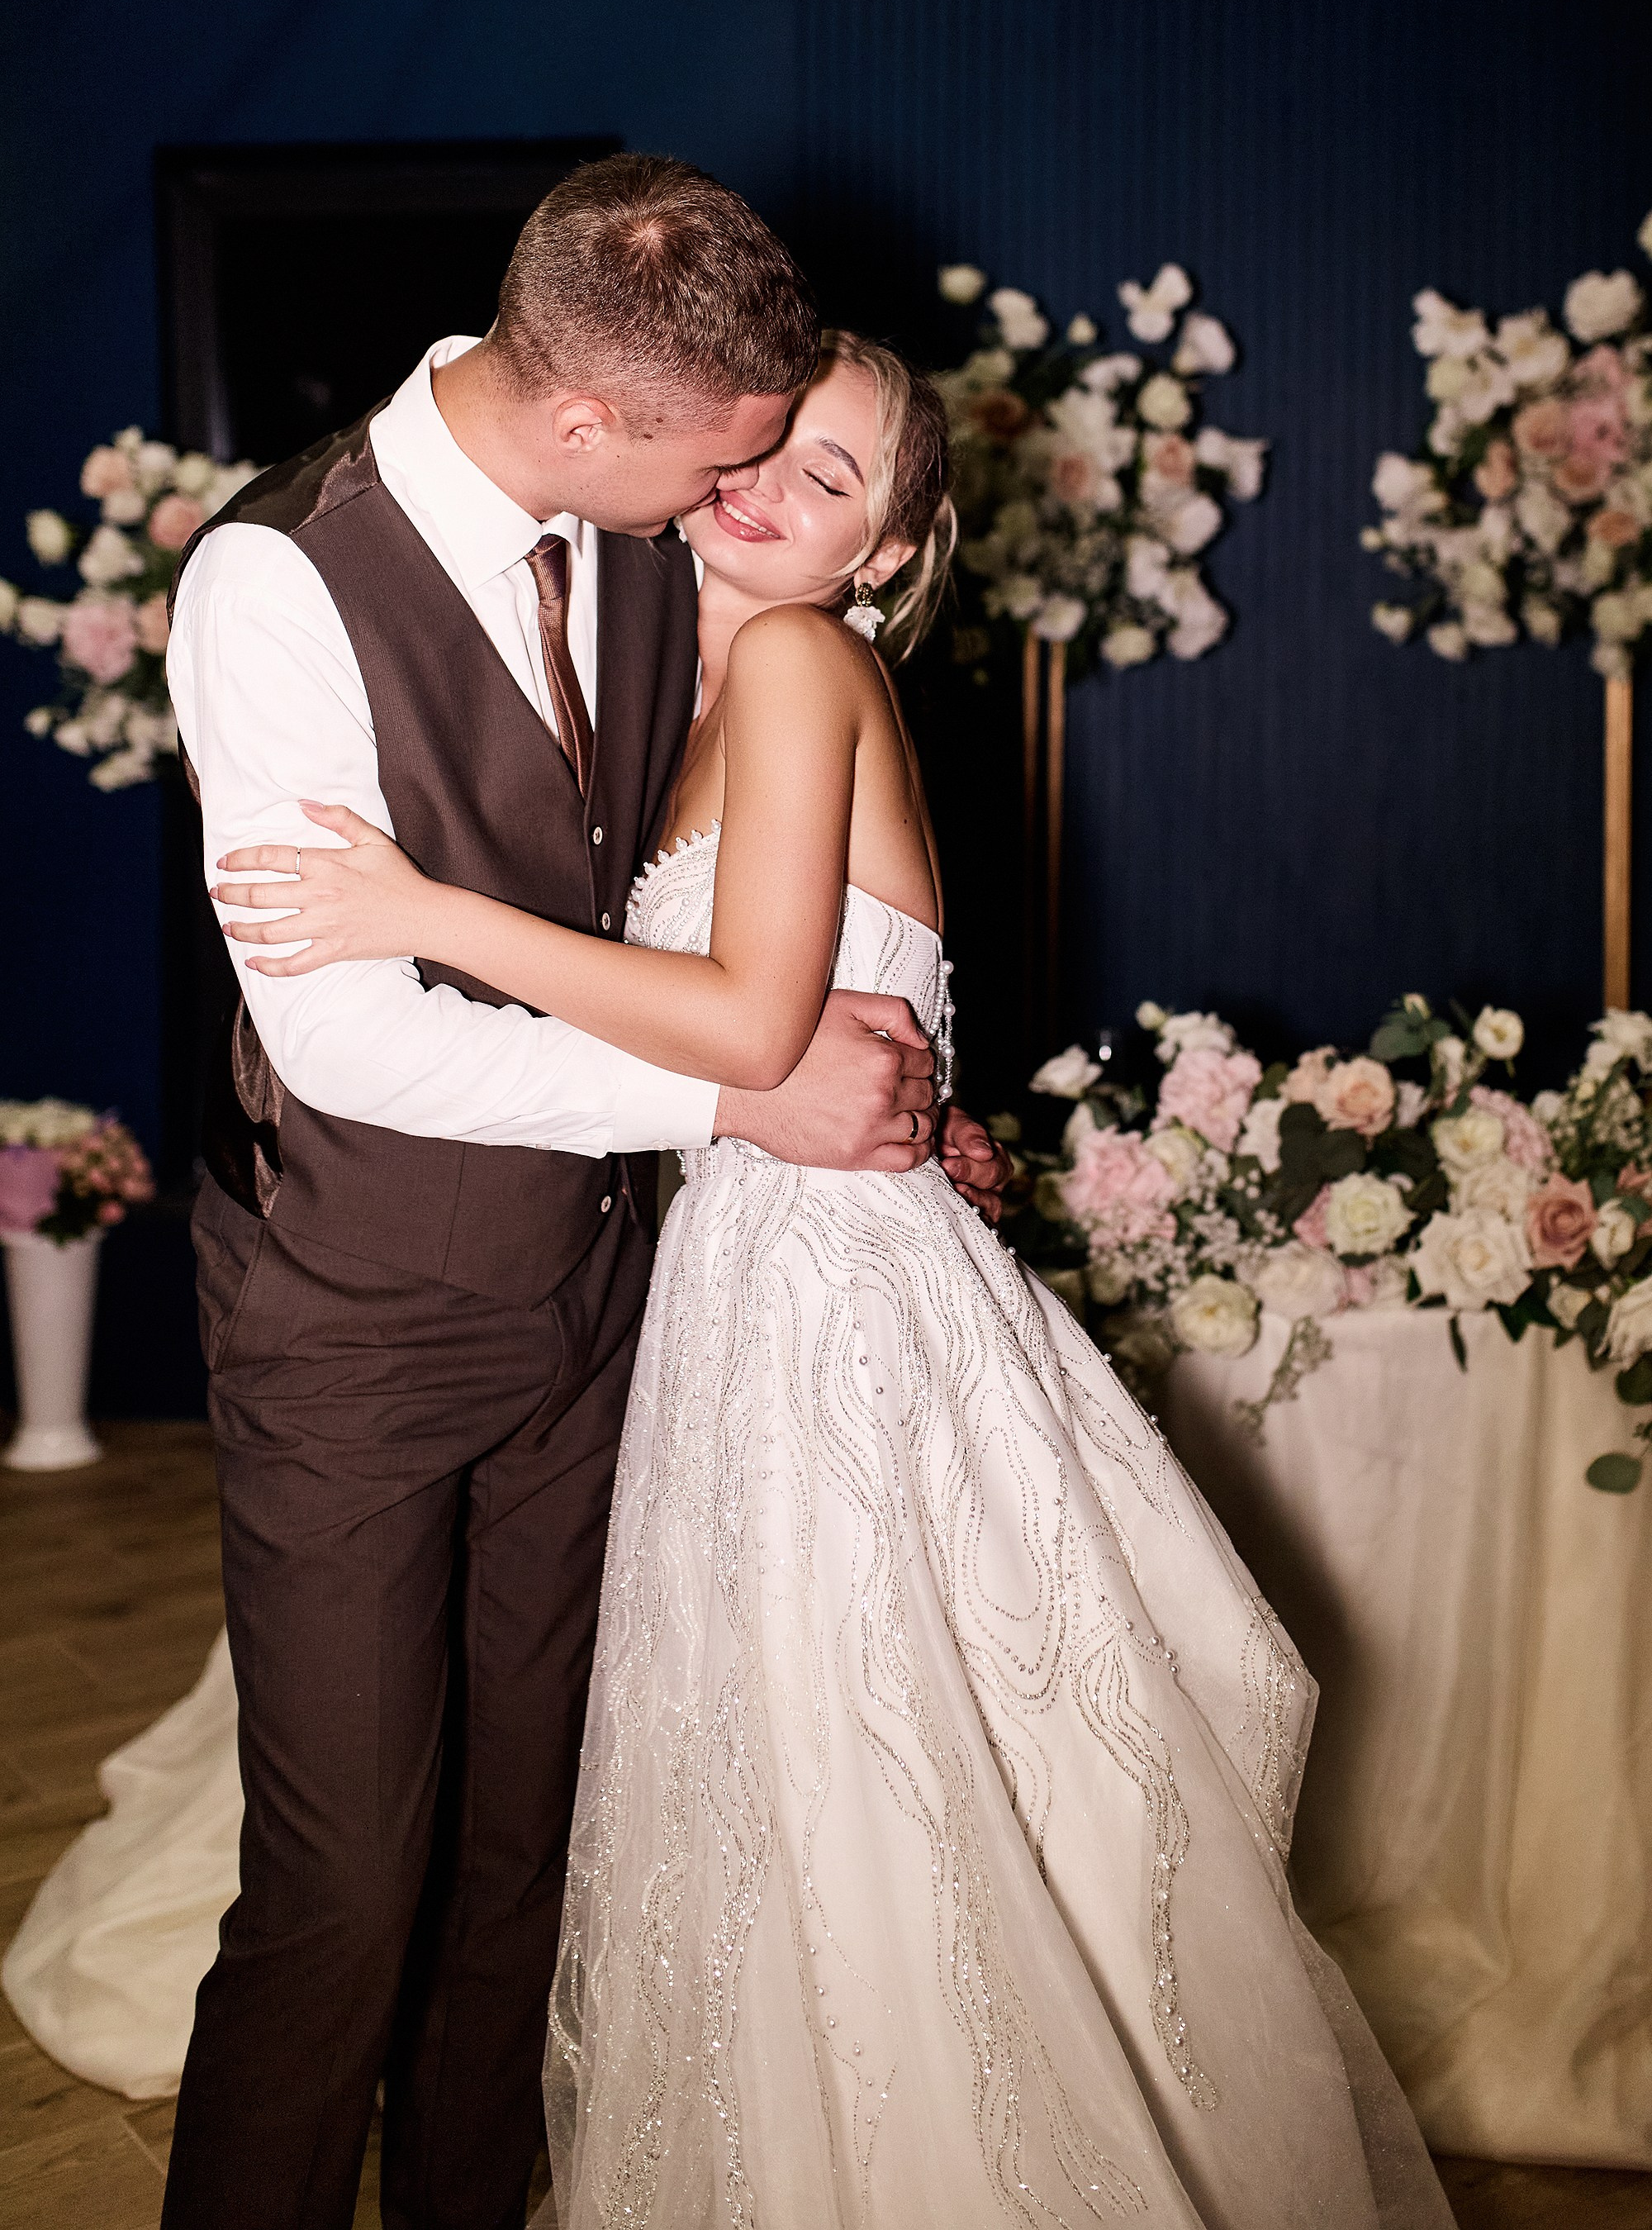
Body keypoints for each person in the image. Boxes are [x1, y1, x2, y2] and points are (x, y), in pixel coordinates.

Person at [216, 331, 1455, 2229]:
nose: (771, 488)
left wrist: (419, 913)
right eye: (771, 442)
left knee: (857, 1801)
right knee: (765, 1810)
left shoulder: (798, 660)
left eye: (834, 479)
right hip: (723, 1283)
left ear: (884, 552)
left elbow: (748, 1021)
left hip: (825, 1311)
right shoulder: (672, 664)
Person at [109, 156, 1006, 2230]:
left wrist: (894, 1084)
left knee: (525, 1857)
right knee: (343, 1888)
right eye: (724, 459)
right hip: (357, 1316)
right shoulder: (279, 582)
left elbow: (764, 892)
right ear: (594, 421)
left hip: (618, 1310)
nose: (735, 494)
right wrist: (743, 1107)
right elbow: (346, 1038)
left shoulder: (660, 523)